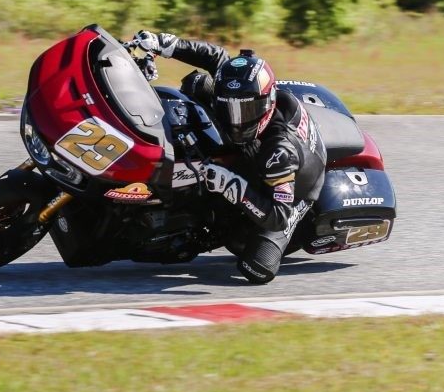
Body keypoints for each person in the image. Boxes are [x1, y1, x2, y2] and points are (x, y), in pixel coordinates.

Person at [128, 30, 327, 284]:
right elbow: (216, 56)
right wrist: (163, 44)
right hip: (261, 146)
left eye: (246, 109)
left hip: (298, 188)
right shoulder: (249, 101)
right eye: (228, 106)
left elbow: (278, 216)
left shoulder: (279, 152)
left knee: (257, 266)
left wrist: (232, 186)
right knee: (197, 84)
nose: (236, 118)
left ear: (266, 105)